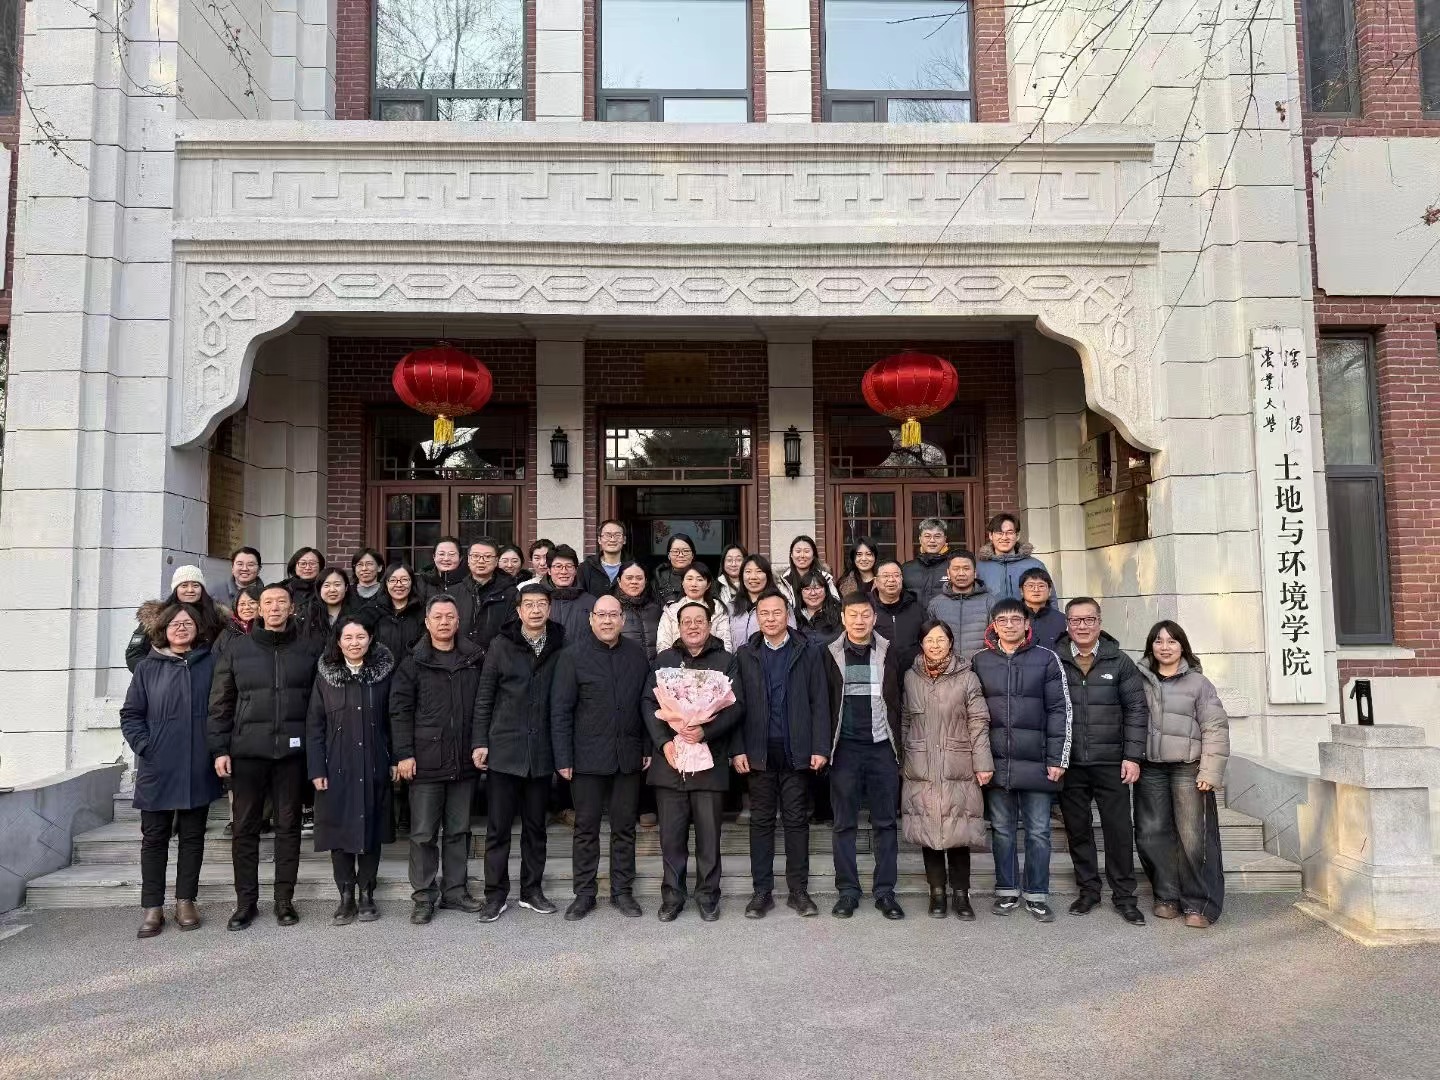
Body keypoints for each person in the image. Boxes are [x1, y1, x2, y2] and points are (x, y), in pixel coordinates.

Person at [208, 583, 322, 930]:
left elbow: (318, 706)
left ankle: (284, 900)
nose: (274, 608)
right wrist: (219, 748)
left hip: (292, 755)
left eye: (281, 602)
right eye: (268, 602)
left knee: (289, 827)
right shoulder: (237, 649)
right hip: (247, 753)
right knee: (245, 828)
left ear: (291, 608)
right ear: (258, 609)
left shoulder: (309, 649)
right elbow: (220, 702)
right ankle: (246, 902)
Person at [121, 603, 223, 938]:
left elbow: (222, 709)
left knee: (193, 837)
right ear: (163, 629)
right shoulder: (147, 668)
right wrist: (146, 746)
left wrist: (215, 749)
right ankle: (152, 906)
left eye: (188, 622)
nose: (181, 627)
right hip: (158, 766)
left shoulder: (210, 663)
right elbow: (131, 715)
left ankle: (185, 900)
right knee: (154, 838)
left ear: (197, 628)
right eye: (175, 623)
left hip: (198, 764)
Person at [642, 599, 745, 922]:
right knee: (671, 838)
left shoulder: (726, 661)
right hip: (670, 762)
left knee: (708, 837)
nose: (693, 626)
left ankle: (708, 896)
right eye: (686, 621)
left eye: (699, 620)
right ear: (678, 627)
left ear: (709, 625)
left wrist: (705, 731)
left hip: (709, 762)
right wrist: (663, 743)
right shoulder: (664, 660)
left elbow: (737, 706)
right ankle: (672, 896)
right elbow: (648, 703)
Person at [550, 594, 652, 921]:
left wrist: (647, 747)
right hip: (586, 758)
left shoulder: (636, 655)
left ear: (622, 619)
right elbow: (561, 711)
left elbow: (647, 705)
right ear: (591, 619)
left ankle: (623, 891)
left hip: (627, 756)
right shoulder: (572, 656)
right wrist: (563, 757)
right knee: (586, 829)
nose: (607, 621)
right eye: (601, 615)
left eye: (613, 615)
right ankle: (584, 893)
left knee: (624, 828)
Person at [971, 597, 1072, 923]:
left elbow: (1060, 710)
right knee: (1002, 830)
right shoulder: (980, 660)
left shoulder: (1046, 659)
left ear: (1027, 624)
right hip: (997, 762)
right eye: (1003, 620)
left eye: (1016, 619)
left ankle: (1037, 894)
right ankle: (1006, 890)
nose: (1010, 625)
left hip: (1038, 761)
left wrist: (1058, 758)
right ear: (994, 625)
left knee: (1039, 831)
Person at [471, 580, 567, 922]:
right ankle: (495, 895)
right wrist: (480, 741)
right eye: (529, 604)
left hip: (541, 752)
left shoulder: (561, 644)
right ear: (518, 610)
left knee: (535, 828)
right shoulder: (501, 645)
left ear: (549, 608)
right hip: (505, 749)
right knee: (498, 829)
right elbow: (485, 697)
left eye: (542, 604)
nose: (536, 610)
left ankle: (531, 890)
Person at [389, 593, 486, 924]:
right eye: (438, 617)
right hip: (426, 760)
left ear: (458, 622)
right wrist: (404, 754)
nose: (444, 622)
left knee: (459, 830)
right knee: (423, 834)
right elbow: (400, 711)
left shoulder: (474, 658)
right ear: (427, 622)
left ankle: (455, 891)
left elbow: (484, 705)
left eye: (450, 617)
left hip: (464, 759)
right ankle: (423, 896)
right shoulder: (413, 662)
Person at [734, 588, 830, 919]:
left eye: (777, 612)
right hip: (759, 751)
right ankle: (761, 892)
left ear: (788, 614)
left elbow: (820, 701)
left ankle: (798, 891)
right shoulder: (745, 654)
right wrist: (738, 749)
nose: (771, 619)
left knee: (796, 821)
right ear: (757, 618)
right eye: (764, 613)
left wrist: (820, 747)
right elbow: (735, 705)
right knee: (760, 822)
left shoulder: (808, 650)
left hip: (796, 750)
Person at [1055, 598, 1148, 925]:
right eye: (1076, 620)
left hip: (1111, 763)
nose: (1082, 626)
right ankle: (1088, 891)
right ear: (1067, 624)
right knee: (1078, 830)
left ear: (1099, 622)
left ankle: (1124, 896)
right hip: (1070, 763)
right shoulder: (1055, 660)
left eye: (1089, 619)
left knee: (1118, 831)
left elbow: (1136, 710)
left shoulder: (1119, 661)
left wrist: (1132, 756)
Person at [1135, 620, 1230, 928]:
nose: (1165, 647)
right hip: (1150, 767)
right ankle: (1166, 896)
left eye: (1172, 641)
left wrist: (1210, 771)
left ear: (1182, 646)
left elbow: (1215, 727)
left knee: (1193, 837)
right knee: (1151, 834)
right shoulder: (1139, 680)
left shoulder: (1199, 684)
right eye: (1159, 641)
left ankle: (1197, 903)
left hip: (1188, 768)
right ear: (1151, 646)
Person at [306, 615, 396, 926]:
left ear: (370, 639)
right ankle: (345, 895)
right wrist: (316, 768)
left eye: (360, 637)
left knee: (371, 830)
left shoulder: (382, 675)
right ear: (339, 641)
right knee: (338, 831)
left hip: (374, 763)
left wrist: (395, 759)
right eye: (348, 637)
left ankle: (367, 893)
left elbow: (394, 720)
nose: (355, 643)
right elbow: (314, 725)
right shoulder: (325, 676)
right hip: (336, 766)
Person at [901, 620, 992, 921]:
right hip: (922, 765)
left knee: (958, 831)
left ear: (951, 642)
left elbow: (978, 722)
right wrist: (905, 758)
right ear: (921, 644)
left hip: (958, 764)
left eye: (941, 639)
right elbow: (905, 720)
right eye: (930, 639)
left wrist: (983, 763)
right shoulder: (911, 677)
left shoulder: (967, 677)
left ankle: (961, 895)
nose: (935, 645)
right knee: (929, 832)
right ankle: (937, 893)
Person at [823, 593, 905, 920]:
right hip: (845, 748)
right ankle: (848, 891)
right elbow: (822, 702)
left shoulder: (889, 651)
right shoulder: (829, 653)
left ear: (874, 618)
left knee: (885, 822)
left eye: (865, 615)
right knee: (844, 823)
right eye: (853, 615)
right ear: (843, 618)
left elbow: (899, 700)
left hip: (881, 746)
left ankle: (885, 892)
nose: (859, 621)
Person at [126, 565, 226, 672]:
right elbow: (134, 654)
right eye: (184, 585)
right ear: (175, 589)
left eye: (196, 585)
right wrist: (155, 675)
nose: (190, 590)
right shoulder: (156, 616)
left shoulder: (217, 617)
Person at [926, 550, 991, 657]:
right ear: (948, 573)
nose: (961, 573)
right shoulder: (935, 604)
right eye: (956, 569)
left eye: (966, 568)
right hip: (947, 665)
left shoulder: (989, 601)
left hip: (981, 664)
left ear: (975, 573)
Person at [656, 564, 733, 653]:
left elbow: (725, 644)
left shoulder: (718, 609)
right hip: (677, 660)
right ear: (682, 583)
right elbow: (663, 644)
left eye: (700, 580)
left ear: (708, 585)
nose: (694, 584)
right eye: (689, 579)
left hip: (712, 660)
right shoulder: (671, 609)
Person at [455, 538, 516, 650]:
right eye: (475, 556)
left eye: (487, 557)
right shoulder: (453, 592)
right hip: (460, 657)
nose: (481, 561)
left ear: (496, 561)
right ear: (468, 559)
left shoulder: (511, 593)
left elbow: (513, 631)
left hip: (497, 656)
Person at [976, 513, 1049, 603]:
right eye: (999, 533)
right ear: (991, 535)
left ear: (1017, 536)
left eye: (1009, 533)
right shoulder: (980, 567)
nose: (1004, 537)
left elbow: (1050, 599)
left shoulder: (1035, 565)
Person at [869, 560, 924, 673]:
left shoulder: (916, 609)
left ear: (902, 579)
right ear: (876, 581)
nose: (891, 580)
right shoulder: (865, 608)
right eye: (886, 576)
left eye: (896, 575)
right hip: (875, 674)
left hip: (912, 675)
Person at [727, 554, 793, 644]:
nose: (753, 577)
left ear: (767, 575)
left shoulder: (780, 603)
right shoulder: (732, 605)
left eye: (759, 571)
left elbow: (791, 636)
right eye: (748, 572)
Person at [373, 562, 425, 661]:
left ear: (412, 582)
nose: (399, 584)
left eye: (404, 580)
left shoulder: (422, 612)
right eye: (393, 580)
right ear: (386, 583)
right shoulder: (375, 611)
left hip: (413, 668)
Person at [545, 545, 597, 643]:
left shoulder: (591, 602)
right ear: (549, 571)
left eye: (569, 566)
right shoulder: (539, 600)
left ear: (576, 570)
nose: (564, 571)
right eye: (558, 566)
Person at [613, 560, 662, 661]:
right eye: (629, 578)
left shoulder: (656, 609)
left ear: (645, 581)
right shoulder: (612, 610)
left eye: (639, 578)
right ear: (619, 581)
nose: (634, 582)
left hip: (654, 668)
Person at [902, 518, 952, 609]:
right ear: (920, 539)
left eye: (937, 536)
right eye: (927, 536)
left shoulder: (953, 567)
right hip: (915, 617)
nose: (932, 540)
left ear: (945, 539)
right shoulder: (906, 569)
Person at [300, 566, 353, 645]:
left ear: (346, 587)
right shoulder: (307, 615)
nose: (332, 590)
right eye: (326, 585)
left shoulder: (356, 614)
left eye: (337, 585)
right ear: (319, 589)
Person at [780, 535, 838, 605]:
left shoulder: (825, 578)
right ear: (791, 555)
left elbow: (836, 603)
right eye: (798, 551)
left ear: (813, 555)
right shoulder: (784, 580)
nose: (802, 555)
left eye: (806, 551)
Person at [1019, 568, 1067, 649]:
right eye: (1030, 586)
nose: (1036, 590)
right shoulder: (1012, 619)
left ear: (1050, 590)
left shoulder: (1062, 619)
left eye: (1041, 586)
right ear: (1021, 591)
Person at [580, 519, 628, 596]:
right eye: (607, 535)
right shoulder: (586, 568)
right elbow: (579, 597)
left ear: (624, 540)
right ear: (599, 540)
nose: (612, 539)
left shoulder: (633, 567)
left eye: (617, 535)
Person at [795, 569, 843, 646]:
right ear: (800, 592)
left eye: (817, 588)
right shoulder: (794, 616)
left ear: (826, 590)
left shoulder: (839, 614)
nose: (813, 593)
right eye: (807, 589)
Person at [653, 532, 701, 606]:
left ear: (692, 555)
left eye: (686, 551)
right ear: (669, 555)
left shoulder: (702, 575)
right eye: (675, 551)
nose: (681, 555)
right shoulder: (659, 577)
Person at [717, 543, 748, 610]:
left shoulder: (752, 585)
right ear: (723, 563)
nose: (733, 564)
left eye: (739, 560)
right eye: (729, 560)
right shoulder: (715, 587)